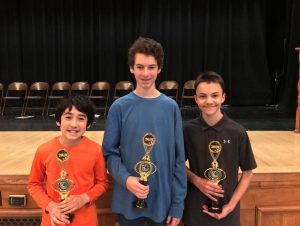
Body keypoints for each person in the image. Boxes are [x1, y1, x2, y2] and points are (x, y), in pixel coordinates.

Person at [102, 37, 187, 226]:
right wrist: (127, 180)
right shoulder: (119, 107)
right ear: (131, 68)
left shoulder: (171, 107)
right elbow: (110, 154)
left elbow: (178, 159)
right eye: (140, 67)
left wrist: (177, 204)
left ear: (159, 69)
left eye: (151, 67)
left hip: (162, 200)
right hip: (128, 195)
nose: (145, 73)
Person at [182, 71, 257, 226]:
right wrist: (198, 181)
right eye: (202, 96)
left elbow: (248, 172)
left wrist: (231, 206)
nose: (209, 101)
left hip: (228, 212)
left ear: (223, 97)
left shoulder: (238, 132)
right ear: (195, 99)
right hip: (196, 211)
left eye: (215, 95)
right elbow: (178, 165)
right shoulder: (187, 130)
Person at [27, 94, 109, 226]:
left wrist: (84, 198)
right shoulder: (44, 150)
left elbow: (102, 183)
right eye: (68, 117)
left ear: (89, 124)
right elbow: (33, 184)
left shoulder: (96, 150)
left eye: (81, 118)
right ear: (58, 120)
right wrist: (50, 206)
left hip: (86, 220)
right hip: (53, 220)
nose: (74, 124)